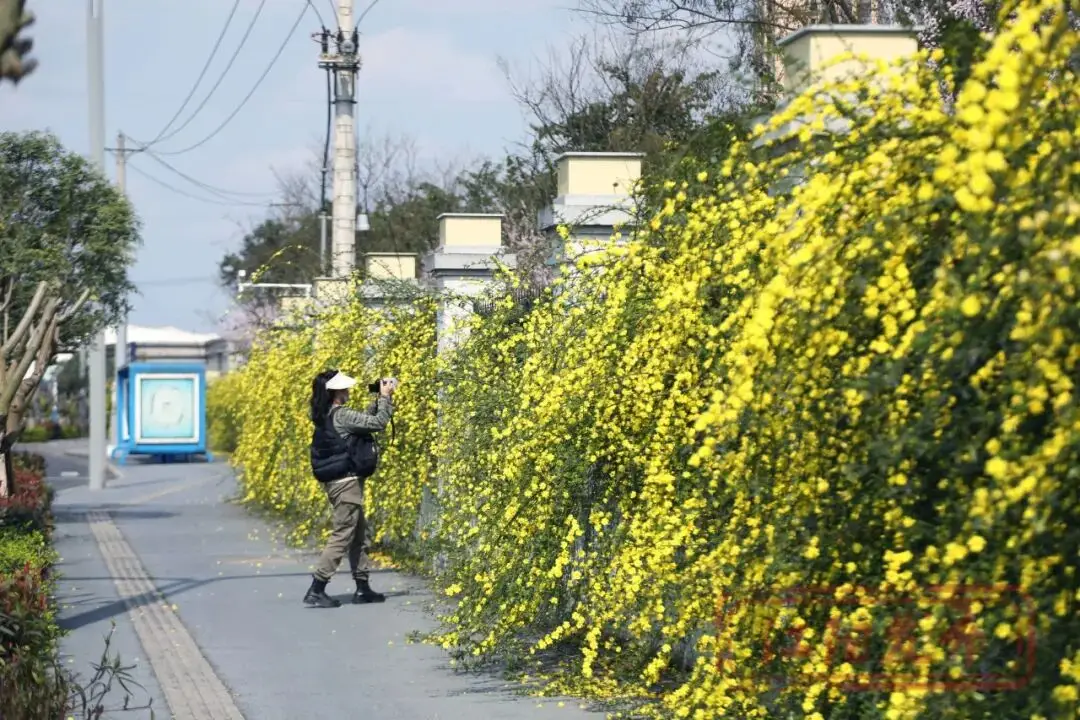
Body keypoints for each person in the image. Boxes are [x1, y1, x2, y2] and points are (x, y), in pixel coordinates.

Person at [304, 369, 395, 608]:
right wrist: (385, 398)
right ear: (335, 393)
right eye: (344, 389)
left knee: (358, 535)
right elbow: (378, 424)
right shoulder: (341, 414)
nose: (348, 392)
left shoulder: (328, 414)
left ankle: (362, 588)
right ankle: (317, 587)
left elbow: (362, 424)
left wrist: (377, 402)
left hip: (342, 484)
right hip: (346, 486)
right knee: (343, 535)